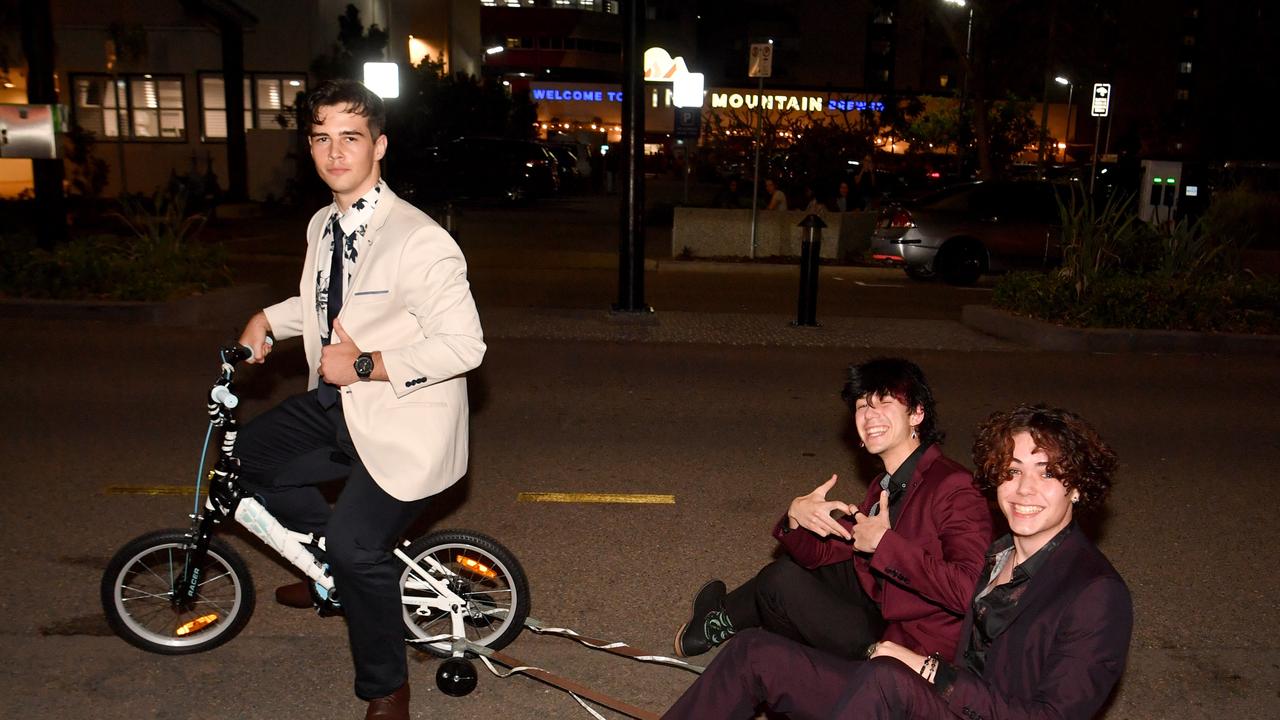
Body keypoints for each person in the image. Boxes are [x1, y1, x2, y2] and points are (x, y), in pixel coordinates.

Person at [234, 79, 485, 720]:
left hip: (403, 423)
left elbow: (465, 347)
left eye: (350, 137)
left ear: (379, 146)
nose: (335, 152)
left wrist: (368, 363)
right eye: (322, 137)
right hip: (334, 406)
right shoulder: (325, 223)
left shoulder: (419, 241)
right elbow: (324, 306)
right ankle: (330, 569)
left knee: (358, 548)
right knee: (242, 460)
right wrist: (266, 319)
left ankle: (387, 689)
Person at [663, 404, 1132, 720]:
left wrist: (929, 671)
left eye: (1047, 473)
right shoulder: (997, 553)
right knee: (755, 653)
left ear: (1076, 486)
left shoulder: (1095, 593)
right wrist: (800, 520)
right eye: (1012, 472)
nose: (1024, 489)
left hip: (964, 704)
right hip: (935, 698)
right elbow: (865, 567)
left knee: (886, 677)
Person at [673, 358, 991, 666]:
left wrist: (885, 545)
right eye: (862, 405)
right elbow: (829, 554)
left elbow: (969, 592)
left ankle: (758, 647)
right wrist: (796, 517)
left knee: (780, 582)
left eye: (884, 402)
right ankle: (718, 620)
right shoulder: (889, 484)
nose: (870, 415)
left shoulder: (953, 484)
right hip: (882, 607)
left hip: (913, 645)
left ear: (917, 413)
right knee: (793, 568)